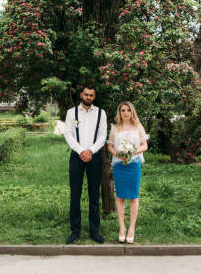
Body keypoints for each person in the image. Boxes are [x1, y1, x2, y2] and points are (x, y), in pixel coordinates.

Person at [63, 85, 107, 244]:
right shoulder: (71, 113)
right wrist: (81, 150)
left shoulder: (101, 113)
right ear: (81, 95)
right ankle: (75, 231)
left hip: (94, 157)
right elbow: (68, 134)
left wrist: (91, 151)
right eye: (86, 94)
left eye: (91, 95)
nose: (88, 97)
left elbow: (103, 136)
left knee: (94, 195)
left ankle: (94, 231)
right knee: (75, 195)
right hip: (77, 156)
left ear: (94, 97)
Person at [107, 101, 148, 244]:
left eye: (128, 110)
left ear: (132, 112)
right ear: (119, 112)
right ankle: (122, 228)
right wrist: (118, 154)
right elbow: (110, 146)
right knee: (120, 198)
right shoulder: (115, 128)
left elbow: (145, 146)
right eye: (123, 110)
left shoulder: (138, 127)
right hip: (119, 166)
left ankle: (131, 228)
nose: (125, 113)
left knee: (133, 197)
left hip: (134, 165)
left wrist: (133, 152)